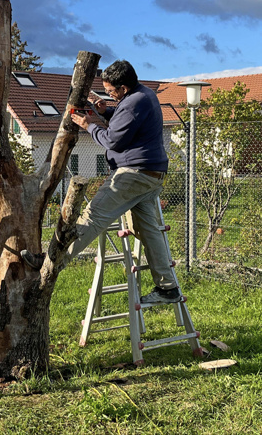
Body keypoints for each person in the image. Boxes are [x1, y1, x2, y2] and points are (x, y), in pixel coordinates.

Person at [21, 60, 181, 304]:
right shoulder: (143, 95)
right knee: (148, 230)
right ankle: (168, 287)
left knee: (92, 216)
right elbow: (128, 121)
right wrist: (106, 111)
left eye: (111, 90)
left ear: (124, 87)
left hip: (132, 174)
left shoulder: (132, 103)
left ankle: (51, 262)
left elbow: (113, 141)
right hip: (152, 174)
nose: (108, 93)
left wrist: (89, 125)